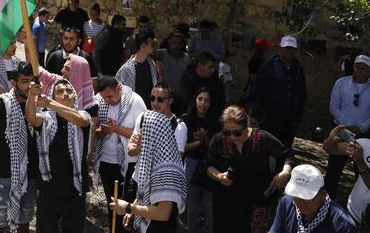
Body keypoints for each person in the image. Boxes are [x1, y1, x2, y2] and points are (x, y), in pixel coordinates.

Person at [205, 105, 295, 232]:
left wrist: (285, 172)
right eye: (226, 132)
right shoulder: (218, 140)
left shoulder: (262, 138)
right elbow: (209, 165)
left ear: (246, 126)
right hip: (226, 205)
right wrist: (219, 176)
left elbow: (288, 155)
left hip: (256, 206)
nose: (232, 137)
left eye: (237, 133)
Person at [0, 60, 39, 233]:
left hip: (31, 174)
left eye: (31, 81)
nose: (29, 86)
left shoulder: (39, 104)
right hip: (5, 173)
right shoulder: (3, 102)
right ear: (14, 83)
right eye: (24, 81)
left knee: (24, 222)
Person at [25, 79, 91, 233]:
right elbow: (32, 119)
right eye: (60, 92)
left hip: (74, 190)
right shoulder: (46, 118)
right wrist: (32, 95)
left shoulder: (82, 115)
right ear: (53, 96)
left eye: (69, 91)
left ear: (75, 97)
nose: (65, 94)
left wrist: (50, 104)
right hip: (49, 190)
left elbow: (81, 121)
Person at [110, 111, 187, 233]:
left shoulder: (167, 169)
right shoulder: (154, 159)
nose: (141, 136)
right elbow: (144, 189)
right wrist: (132, 212)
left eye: (145, 132)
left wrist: (129, 208)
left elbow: (163, 213)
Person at [325, 54, 370, 199]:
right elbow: (334, 106)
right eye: (357, 67)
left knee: (362, 170)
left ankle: (359, 202)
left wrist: (360, 128)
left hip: (364, 135)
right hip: (341, 132)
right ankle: (327, 200)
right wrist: (345, 125)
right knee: (334, 170)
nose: (359, 71)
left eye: (363, 69)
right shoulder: (341, 83)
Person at [92, 75, 147, 233]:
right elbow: (94, 128)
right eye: (104, 97)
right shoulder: (99, 100)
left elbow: (142, 134)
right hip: (106, 161)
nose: (107, 100)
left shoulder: (135, 101)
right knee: (112, 205)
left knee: (128, 205)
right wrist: (101, 131)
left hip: (129, 162)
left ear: (118, 88)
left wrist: (116, 129)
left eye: (110, 96)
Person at [251, 36, 307, 148]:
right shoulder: (268, 67)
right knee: (268, 149)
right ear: (280, 48)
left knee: (284, 150)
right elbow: (257, 91)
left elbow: (302, 93)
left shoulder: (298, 69)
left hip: (290, 119)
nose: (289, 51)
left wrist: (298, 115)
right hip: (270, 118)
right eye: (286, 48)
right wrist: (260, 115)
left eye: (292, 48)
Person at [267, 164, 356, 233]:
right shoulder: (287, 203)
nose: (300, 203)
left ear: (323, 195)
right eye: (296, 196)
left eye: (306, 199)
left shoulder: (343, 224)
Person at [180, 87, 221, 233]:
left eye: (207, 100)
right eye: (200, 99)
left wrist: (206, 140)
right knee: (192, 207)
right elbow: (181, 147)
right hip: (192, 163)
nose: (203, 103)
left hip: (210, 167)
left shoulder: (215, 123)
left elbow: (217, 150)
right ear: (195, 100)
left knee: (210, 206)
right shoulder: (185, 120)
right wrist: (198, 143)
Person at [128, 83, 187, 159]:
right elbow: (130, 151)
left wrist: (146, 146)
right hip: (142, 170)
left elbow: (178, 159)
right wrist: (137, 148)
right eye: (152, 98)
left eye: (160, 99)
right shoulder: (142, 117)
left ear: (170, 101)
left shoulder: (179, 126)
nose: (155, 103)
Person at [116, 31, 160, 109]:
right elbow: (122, 95)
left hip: (149, 111)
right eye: (152, 45)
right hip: (133, 111)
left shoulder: (152, 65)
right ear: (143, 46)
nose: (155, 48)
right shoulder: (127, 69)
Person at [181, 52, 226, 121]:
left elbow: (221, 99)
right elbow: (187, 101)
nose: (213, 70)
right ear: (200, 66)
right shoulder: (188, 79)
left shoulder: (215, 79)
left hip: (212, 118)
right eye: (210, 67)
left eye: (213, 67)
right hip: (192, 118)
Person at [156, 31, 190, 114]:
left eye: (179, 43)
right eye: (173, 42)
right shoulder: (161, 54)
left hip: (180, 99)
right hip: (165, 97)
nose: (176, 46)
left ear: (182, 44)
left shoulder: (187, 59)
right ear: (169, 42)